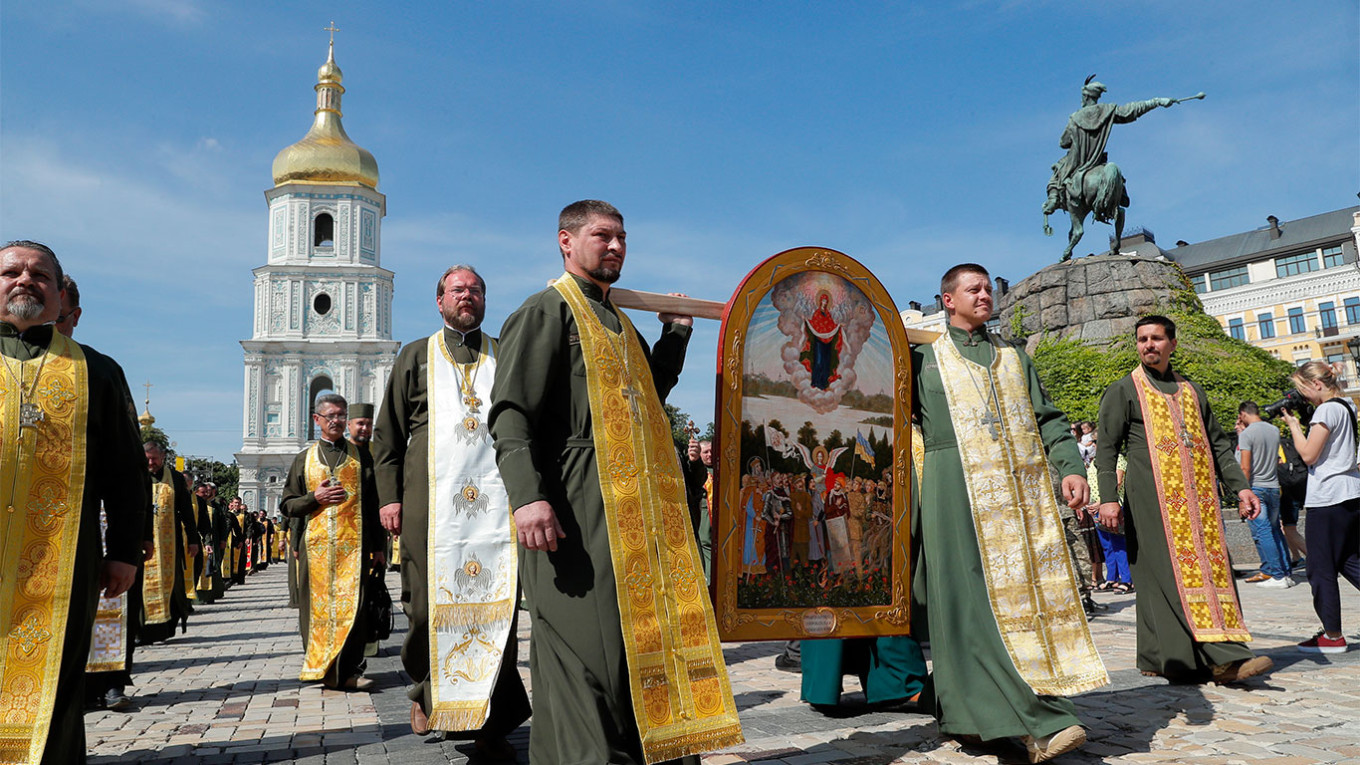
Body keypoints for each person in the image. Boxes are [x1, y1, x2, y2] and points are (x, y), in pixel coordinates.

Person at [489, 200, 743, 764]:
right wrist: (529, 498)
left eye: (623, 238)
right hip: (574, 504)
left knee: (637, 648)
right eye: (602, 236)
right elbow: (511, 414)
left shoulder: (622, 322)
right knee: (584, 652)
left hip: (638, 514)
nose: (616, 247)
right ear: (566, 241)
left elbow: (649, 397)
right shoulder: (545, 312)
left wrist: (675, 333)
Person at [912, 263, 1105, 763]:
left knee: (1011, 606)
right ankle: (1034, 719)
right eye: (972, 289)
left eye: (986, 288)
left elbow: (1048, 418)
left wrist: (1069, 467)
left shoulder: (1013, 356)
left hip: (1021, 501)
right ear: (947, 299)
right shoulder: (921, 356)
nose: (984, 295)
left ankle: (974, 715)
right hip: (951, 487)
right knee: (965, 604)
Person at [0, 240, 149, 763]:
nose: (24, 281)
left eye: (40, 276)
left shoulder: (98, 371)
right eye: (10, 272)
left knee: (57, 685)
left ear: (61, 296)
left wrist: (127, 550)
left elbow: (127, 470)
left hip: (61, 561)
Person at [371, 265, 529, 755]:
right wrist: (390, 496)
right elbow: (388, 435)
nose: (468, 296)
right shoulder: (415, 356)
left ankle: (491, 720)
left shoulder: (505, 352)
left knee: (496, 608)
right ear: (439, 301)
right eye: (458, 290)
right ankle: (427, 689)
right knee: (425, 607)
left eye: (477, 290)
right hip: (428, 505)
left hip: (497, 508)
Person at [1096, 315, 1273, 685]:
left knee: (1212, 571)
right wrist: (1109, 500)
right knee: (1166, 573)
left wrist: (1240, 487)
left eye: (1157, 338)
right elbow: (1107, 450)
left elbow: (1219, 444)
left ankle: (1170, 658)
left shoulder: (1192, 390)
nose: (1149, 345)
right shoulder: (1123, 390)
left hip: (1201, 501)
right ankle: (1225, 659)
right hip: (1151, 497)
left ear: (1172, 344)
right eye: (1142, 339)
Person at [281, 393, 384, 691]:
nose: (337, 421)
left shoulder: (362, 455)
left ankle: (349, 671)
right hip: (316, 552)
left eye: (341, 416)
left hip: (355, 548)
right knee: (316, 611)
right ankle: (322, 669)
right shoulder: (305, 459)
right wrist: (315, 498)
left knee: (355, 608)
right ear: (317, 420)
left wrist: (378, 547)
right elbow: (288, 505)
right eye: (331, 417)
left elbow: (375, 503)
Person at [1280, 361, 1360, 653]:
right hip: (1350, 492)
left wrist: (1293, 427)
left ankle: (1332, 635)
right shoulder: (1347, 406)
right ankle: (1331, 632)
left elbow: (1309, 454)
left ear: (1317, 384)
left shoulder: (1327, 409)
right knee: (1349, 561)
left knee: (1320, 567)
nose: (1303, 396)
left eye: (1303, 389)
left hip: (1328, 495)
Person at [137, 442, 200, 644]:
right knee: (140, 585)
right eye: (147, 458)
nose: (151, 462)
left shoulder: (174, 478)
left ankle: (164, 628)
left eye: (154, 458)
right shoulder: (136, 474)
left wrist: (193, 539)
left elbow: (186, 511)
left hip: (169, 544)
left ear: (163, 457)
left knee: (171, 584)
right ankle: (141, 630)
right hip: (139, 542)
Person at [1238, 401, 1293, 588]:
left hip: (1256, 487)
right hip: (1273, 486)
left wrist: (1242, 494)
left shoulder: (1247, 434)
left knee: (1263, 531)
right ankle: (1286, 572)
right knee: (1276, 528)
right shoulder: (1273, 430)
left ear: (1244, 414)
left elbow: (1245, 467)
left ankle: (1276, 576)